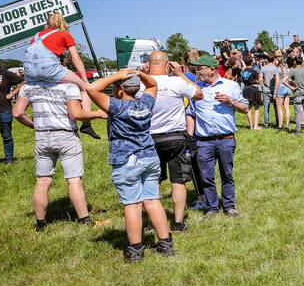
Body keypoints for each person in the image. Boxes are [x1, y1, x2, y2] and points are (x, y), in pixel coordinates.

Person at [87, 69, 174, 262]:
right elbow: (153, 85)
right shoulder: (145, 103)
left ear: (120, 90)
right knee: (153, 201)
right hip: (149, 156)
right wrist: (140, 74)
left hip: (126, 160)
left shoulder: (117, 107)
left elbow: (91, 88)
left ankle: (135, 251)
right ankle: (166, 245)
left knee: (132, 205)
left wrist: (117, 76)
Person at [11, 71, 104, 230]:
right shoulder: (69, 86)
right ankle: (84, 220)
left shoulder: (29, 86)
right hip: (66, 135)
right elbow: (76, 114)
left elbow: (17, 113)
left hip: (42, 136)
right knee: (74, 180)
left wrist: (33, 125)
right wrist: (97, 114)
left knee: (42, 181)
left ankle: (40, 224)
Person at [141, 51, 202, 232]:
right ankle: (178, 222)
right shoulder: (176, 82)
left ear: (148, 64)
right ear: (167, 64)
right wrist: (181, 74)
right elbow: (198, 94)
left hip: (149, 137)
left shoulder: (142, 83)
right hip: (175, 137)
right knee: (178, 181)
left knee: (152, 182)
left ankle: (153, 222)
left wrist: (142, 72)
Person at [21, 11, 100, 138]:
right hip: (49, 69)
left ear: (47, 24)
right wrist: (84, 80)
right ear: (62, 22)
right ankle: (86, 124)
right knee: (86, 89)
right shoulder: (64, 34)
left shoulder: (36, 36)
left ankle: (36, 116)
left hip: (29, 72)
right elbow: (76, 59)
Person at [187, 55, 248, 217]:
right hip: (203, 141)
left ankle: (229, 206)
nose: (197, 71)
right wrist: (189, 138)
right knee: (206, 176)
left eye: (200, 68)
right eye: (196, 69)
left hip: (225, 139)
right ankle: (212, 207)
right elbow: (191, 114)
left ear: (212, 70)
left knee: (227, 174)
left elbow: (245, 108)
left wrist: (231, 102)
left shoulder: (231, 86)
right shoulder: (196, 90)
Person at [0, 51, 24, 164]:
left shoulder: (4, 73)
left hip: (3, 110)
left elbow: (23, 81)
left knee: (6, 136)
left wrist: (12, 94)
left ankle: (9, 160)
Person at [284, 56, 304, 134]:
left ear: (295, 62)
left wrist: (291, 87)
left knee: (298, 113)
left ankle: (298, 131)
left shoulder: (293, 71)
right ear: (302, 62)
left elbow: (284, 80)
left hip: (297, 94)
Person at [259, 55, 281, 128]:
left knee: (266, 108)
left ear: (267, 60)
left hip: (265, 89)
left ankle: (266, 124)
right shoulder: (275, 68)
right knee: (277, 107)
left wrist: (263, 84)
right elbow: (277, 80)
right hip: (274, 89)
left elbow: (260, 79)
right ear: (273, 60)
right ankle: (278, 123)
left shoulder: (263, 68)